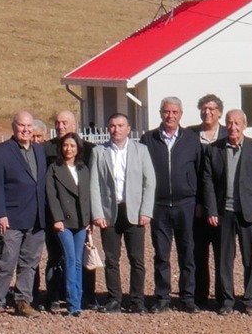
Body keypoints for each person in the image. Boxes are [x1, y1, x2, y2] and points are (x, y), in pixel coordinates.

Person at [199, 110, 252, 315]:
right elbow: (208, 183)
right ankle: (227, 301)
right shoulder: (214, 150)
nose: (233, 127)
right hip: (224, 213)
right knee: (224, 258)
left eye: (237, 123)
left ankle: (249, 300)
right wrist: (211, 209)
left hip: (249, 212)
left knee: (250, 259)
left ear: (244, 125)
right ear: (225, 125)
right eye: (230, 123)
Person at [86, 114, 154, 313]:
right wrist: (97, 213)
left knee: (137, 259)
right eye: (113, 126)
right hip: (109, 212)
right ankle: (114, 298)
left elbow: (149, 183)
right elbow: (94, 184)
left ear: (128, 128)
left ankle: (137, 300)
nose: (116, 129)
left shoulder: (141, 151)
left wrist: (146, 211)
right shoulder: (100, 152)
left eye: (120, 125)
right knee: (111, 259)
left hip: (134, 211)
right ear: (108, 129)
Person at [0, 111, 51, 316]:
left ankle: (23, 301)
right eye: (22, 126)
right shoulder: (1, 152)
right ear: (14, 127)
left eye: (29, 126)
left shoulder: (39, 151)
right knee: (6, 262)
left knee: (30, 263)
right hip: (11, 217)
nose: (26, 130)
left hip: (36, 217)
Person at [143, 97, 204, 313]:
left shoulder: (191, 139)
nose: (170, 116)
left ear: (181, 114)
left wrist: (199, 202)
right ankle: (162, 298)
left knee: (188, 253)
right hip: (159, 205)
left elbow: (200, 172)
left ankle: (187, 297)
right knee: (161, 254)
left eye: (174, 112)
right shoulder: (148, 139)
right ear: (161, 113)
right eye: (167, 112)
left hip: (186, 204)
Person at [46, 132, 92, 315]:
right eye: (65, 145)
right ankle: (74, 304)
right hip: (63, 222)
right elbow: (52, 196)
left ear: (78, 148)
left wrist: (88, 220)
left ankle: (77, 299)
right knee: (70, 260)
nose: (68, 149)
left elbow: (87, 196)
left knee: (78, 261)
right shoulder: (54, 168)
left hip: (81, 222)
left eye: (72, 146)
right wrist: (57, 218)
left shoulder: (83, 169)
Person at [189, 93, 225, 308]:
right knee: (198, 253)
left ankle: (222, 296)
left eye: (211, 108)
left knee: (222, 254)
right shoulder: (191, 135)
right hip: (196, 205)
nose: (207, 112)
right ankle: (200, 296)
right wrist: (197, 203)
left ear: (219, 112)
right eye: (203, 108)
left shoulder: (226, 135)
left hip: (221, 205)